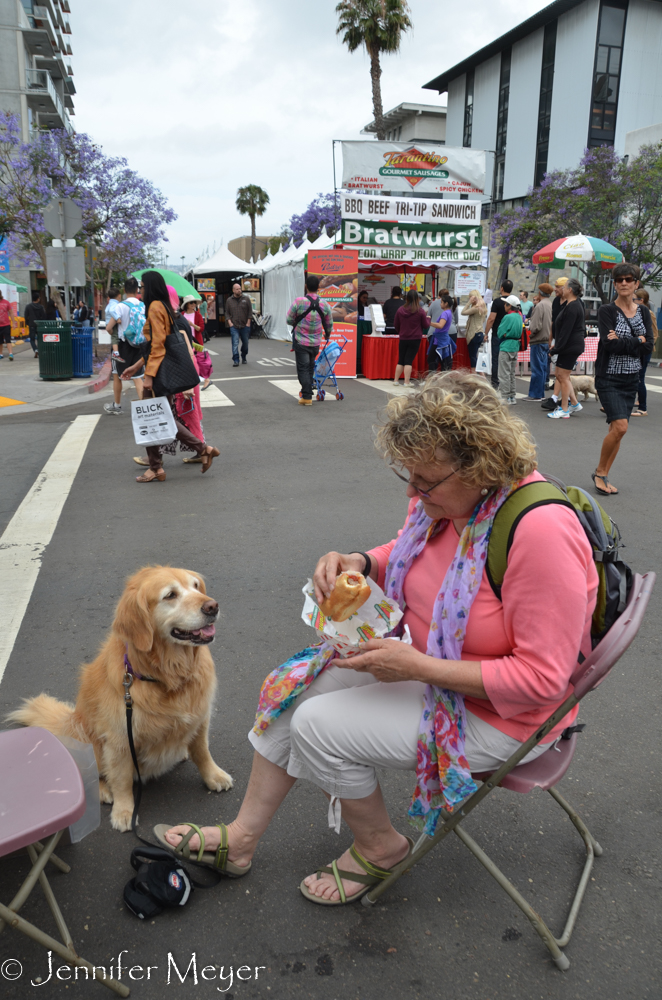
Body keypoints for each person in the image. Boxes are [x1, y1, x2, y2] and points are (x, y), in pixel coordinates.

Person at [159, 371, 597, 904]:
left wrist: (417, 666)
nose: (413, 492)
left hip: (508, 715)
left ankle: (380, 846)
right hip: (446, 673)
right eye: (407, 476)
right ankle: (242, 838)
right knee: (295, 686)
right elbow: (406, 554)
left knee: (319, 727)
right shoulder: (446, 502)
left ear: (480, 464)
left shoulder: (540, 531)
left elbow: (543, 682)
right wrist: (359, 563)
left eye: (425, 481)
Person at [121, 270, 219, 482]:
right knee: (160, 418)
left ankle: (159, 466)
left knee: (152, 418)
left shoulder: (155, 306)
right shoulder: (163, 305)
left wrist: (147, 375)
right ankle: (198, 451)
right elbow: (157, 344)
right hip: (158, 370)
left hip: (157, 374)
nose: (141, 291)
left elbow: (157, 346)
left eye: (143, 287)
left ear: (151, 287)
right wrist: (137, 365)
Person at [592, 263, 654, 496]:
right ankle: (599, 472)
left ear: (637, 284)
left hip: (632, 378)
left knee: (617, 430)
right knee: (621, 427)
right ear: (615, 284)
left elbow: (649, 345)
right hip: (609, 377)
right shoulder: (607, 311)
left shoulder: (643, 312)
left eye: (629, 279)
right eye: (619, 280)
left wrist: (628, 341)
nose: (624, 283)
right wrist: (636, 340)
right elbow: (609, 344)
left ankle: (605, 473)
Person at [286, 275, 333, 405]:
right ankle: (307, 391)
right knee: (310, 367)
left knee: (303, 368)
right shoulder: (324, 304)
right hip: (316, 342)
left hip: (301, 341)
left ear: (306, 286)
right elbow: (329, 323)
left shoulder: (298, 302)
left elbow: (289, 319)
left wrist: (298, 323)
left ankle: (307, 396)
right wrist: (327, 334)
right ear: (318, 287)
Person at [103, 280, 145, 416]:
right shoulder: (143, 305)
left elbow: (109, 327)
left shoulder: (120, 307)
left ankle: (117, 405)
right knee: (138, 377)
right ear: (137, 290)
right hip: (139, 344)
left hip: (123, 345)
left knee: (117, 375)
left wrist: (113, 332)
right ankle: (145, 406)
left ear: (125, 290)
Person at [546, 278, 586, 420]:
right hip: (568, 346)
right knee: (560, 375)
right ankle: (574, 403)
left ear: (570, 290)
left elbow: (566, 331)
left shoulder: (574, 306)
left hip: (570, 346)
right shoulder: (570, 305)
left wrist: (556, 348)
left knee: (563, 376)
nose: (561, 289)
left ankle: (564, 408)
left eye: (564, 287)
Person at [541, 277, 569, 409]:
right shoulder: (557, 301)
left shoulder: (573, 302)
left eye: (557, 287)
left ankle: (558, 398)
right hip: (557, 340)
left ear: (565, 288)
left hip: (567, 342)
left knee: (561, 372)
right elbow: (553, 322)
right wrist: (550, 338)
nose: (555, 289)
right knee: (560, 372)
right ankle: (567, 399)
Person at [393, 289, 430, 387]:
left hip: (403, 338)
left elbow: (396, 324)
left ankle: (396, 380)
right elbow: (426, 325)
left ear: (407, 298)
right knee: (408, 361)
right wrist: (428, 319)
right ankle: (406, 382)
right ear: (417, 298)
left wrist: (401, 332)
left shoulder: (400, 310)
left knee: (401, 360)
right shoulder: (420, 311)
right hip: (415, 338)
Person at [484, 279, 513, 390]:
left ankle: (495, 382)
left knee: (496, 358)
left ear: (501, 288)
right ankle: (508, 382)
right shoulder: (514, 301)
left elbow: (491, 319)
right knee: (508, 359)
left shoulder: (497, 301)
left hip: (497, 334)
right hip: (510, 335)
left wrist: (486, 333)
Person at [525, 283, 553, 400]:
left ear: (540, 293)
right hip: (547, 340)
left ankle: (536, 394)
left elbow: (535, 326)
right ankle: (539, 394)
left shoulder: (539, 306)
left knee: (537, 369)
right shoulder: (551, 304)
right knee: (542, 368)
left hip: (538, 340)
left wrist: (531, 333)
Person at [632, 288, 657, 416]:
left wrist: (646, 345)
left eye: (634, 299)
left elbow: (654, 333)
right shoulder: (636, 311)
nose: (631, 301)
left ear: (641, 300)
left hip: (644, 350)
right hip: (637, 348)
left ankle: (643, 408)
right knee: (635, 377)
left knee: (640, 378)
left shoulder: (649, 313)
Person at [496, 294, 523, 404]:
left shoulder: (507, 317)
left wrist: (505, 334)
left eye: (505, 303)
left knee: (504, 373)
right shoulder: (519, 316)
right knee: (511, 372)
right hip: (515, 345)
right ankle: (512, 396)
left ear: (509, 305)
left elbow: (499, 332)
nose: (504, 305)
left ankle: (505, 396)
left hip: (506, 345)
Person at [225, 283, 253, 366]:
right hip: (234, 326)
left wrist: (248, 323)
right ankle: (236, 359)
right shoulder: (229, 300)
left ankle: (243, 356)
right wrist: (230, 323)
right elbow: (227, 312)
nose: (239, 290)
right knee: (235, 343)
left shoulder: (246, 299)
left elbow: (250, 312)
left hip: (245, 325)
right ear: (233, 290)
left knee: (245, 343)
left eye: (240, 288)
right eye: (237, 289)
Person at [427, 292, 455, 372]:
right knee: (443, 361)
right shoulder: (449, 312)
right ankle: (440, 378)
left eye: (441, 302)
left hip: (440, 340)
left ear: (446, 304)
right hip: (442, 339)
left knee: (432, 359)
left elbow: (440, 325)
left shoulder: (445, 313)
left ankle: (432, 378)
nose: (440, 304)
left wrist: (429, 323)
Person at [461, 290, 487, 372]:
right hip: (480, 333)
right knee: (476, 356)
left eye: (470, 297)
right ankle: (481, 376)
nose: (469, 299)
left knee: (472, 357)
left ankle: (474, 375)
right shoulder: (483, 308)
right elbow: (482, 320)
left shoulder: (476, 308)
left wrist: (469, 303)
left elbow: (463, 312)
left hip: (473, 334)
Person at [23, 291, 46, 358]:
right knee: (40, 339)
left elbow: (25, 315)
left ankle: (35, 349)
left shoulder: (28, 306)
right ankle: (39, 349)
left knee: (32, 339)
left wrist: (28, 323)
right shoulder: (41, 307)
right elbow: (44, 316)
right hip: (39, 325)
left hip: (32, 324)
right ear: (38, 299)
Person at [0, 290, 14, 361]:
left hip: (6, 324)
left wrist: (13, 322)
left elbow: (11, 312)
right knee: (0, 342)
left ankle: (10, 354)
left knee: (8, 340)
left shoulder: (6, 302)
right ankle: (1, 354)